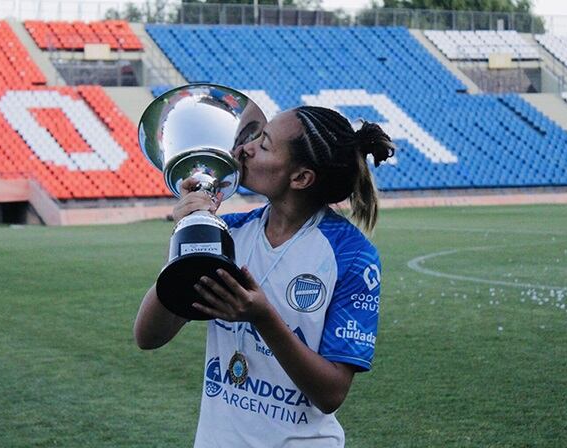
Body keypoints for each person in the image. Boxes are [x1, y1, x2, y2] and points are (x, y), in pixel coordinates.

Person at [134, 105, 394, 447]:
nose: (245, 148)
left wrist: (262, 317)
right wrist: (189, 233)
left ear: (300, 178)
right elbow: (149, 336)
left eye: (265, 144)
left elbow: (331, 393)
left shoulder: (351, 255)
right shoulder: (228, 234)